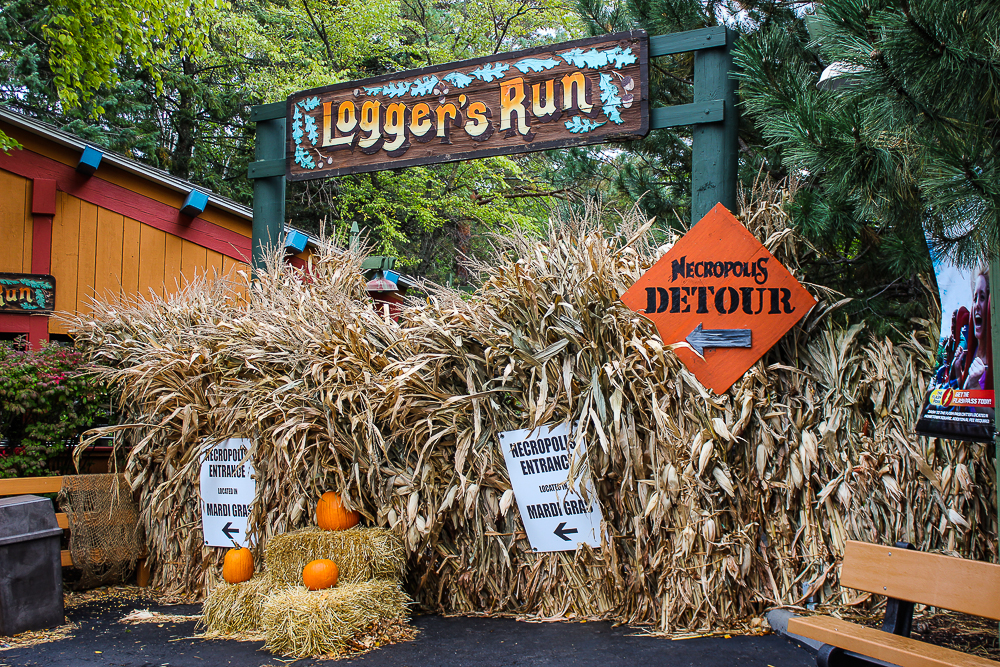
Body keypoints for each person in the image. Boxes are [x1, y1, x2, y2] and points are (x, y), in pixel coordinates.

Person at [961, 266, 992, 392]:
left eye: (983, 298)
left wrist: (975, 386)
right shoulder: (971, 350)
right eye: (975, 298)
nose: (977, 305)